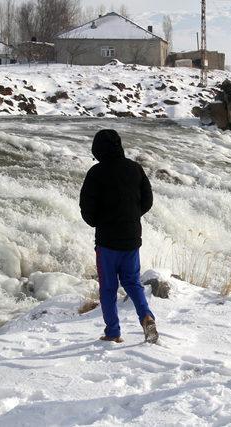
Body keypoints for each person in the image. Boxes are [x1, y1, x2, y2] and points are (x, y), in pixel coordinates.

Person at [80, 129, 158, 344]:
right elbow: (147, 200)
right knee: (133, 282)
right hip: (131, 237)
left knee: (108, 287)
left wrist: (98, 222)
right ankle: (146, 316)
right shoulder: (135, 169)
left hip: (107, 241)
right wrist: (131, 216)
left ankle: (113, 332)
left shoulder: (96, 173)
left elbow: (86, 208)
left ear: (98, 149)